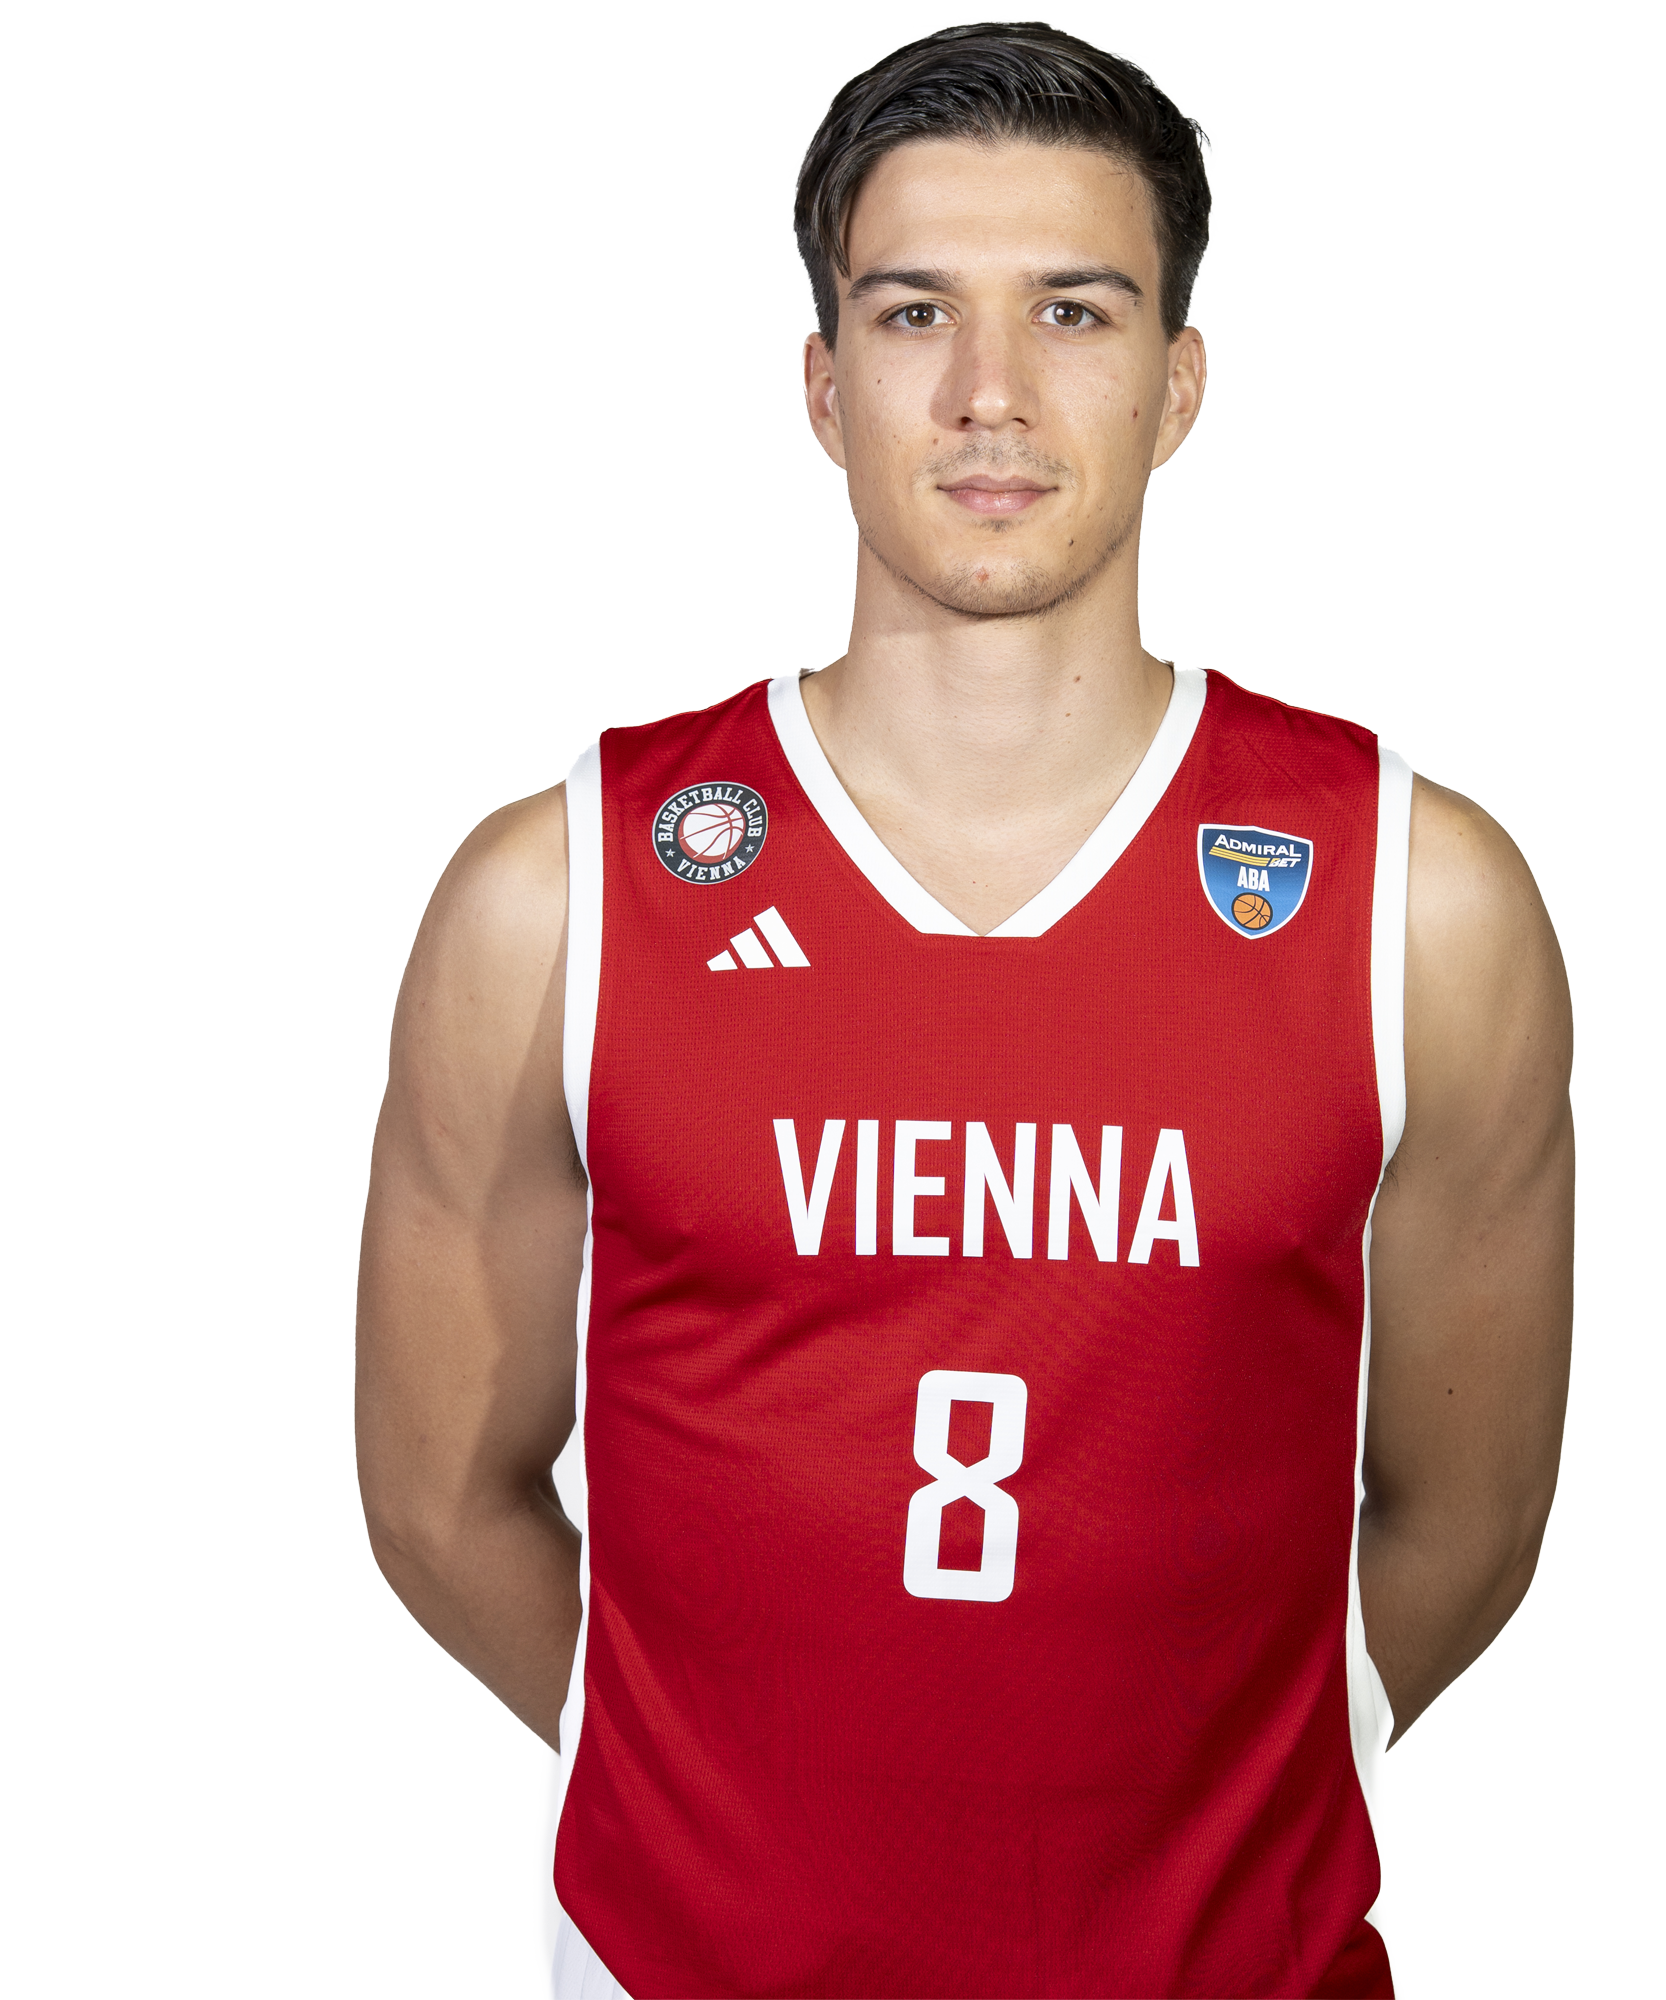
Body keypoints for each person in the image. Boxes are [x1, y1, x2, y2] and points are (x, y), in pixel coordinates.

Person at [357, 20, 1572, 1999]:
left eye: (1073, 312)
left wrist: (1230, 1787)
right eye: (915, 311)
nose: (990, 390)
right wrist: (690, 1784)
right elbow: (434, 1494)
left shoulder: (1412, 901)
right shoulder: (560, 893)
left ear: (1177, 382)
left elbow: (1472, 1515)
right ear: (824, 383)